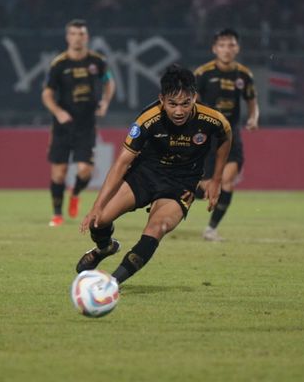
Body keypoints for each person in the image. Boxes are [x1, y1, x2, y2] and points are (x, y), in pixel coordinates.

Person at [76, 65, 232, 284]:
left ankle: (111, 283)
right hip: (146, 174)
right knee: (99, 222)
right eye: (173, 104)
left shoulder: (211, 119)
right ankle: (105, 248)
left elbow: (226, 137)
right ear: (162, 99)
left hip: (181, 182)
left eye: (186, 103)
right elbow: (122, 163)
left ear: (194, 97)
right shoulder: (147, 120)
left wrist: (216, 180)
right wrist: (97, 205)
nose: (179, 111)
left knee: (157, 227)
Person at [41, 19, 116, 227]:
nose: (77, 37)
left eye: (81, 34)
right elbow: (46, 94)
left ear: (87, 37)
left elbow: (109, 81)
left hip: (86, 125)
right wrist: (58, 112)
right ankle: (57, 214)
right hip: (63, 127)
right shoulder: (59, 64)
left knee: (85, 171)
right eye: (73, 34)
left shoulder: (97, 62)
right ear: (68, 37)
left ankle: (75, 193)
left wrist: (105, 102)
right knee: (59, 172)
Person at [193, 28, 259, 241]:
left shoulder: (244, 75)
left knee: (227, 180)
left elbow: (252, 102)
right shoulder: (203, 73)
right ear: (214, 48)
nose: (227, 49)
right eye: (222, 45)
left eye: (231, 45)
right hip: (206, 136)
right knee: (203, 188)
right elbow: (190, 100)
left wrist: (253, 118)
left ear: (237, 48)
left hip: (231, 136)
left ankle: (211, 229)